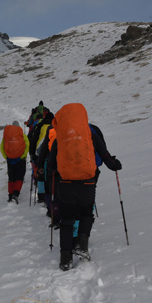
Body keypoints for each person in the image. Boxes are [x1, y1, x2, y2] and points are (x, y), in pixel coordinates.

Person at [46, 103, 123, 271]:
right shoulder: (90, 132)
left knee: (66, 221)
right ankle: (82, 245)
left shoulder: (60, 137)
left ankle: (65, 260)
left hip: (65, 184)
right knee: (86, 214)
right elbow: (105, 155)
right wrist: (115, 164)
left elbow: (50, 164)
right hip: (87, 183)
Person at [0, 121, 30, 204]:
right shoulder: (22, 135)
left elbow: (2, 147)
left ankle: (10, 195)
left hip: (10, 160)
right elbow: (27, 145)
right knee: (19, 177)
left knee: (11, 177)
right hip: (20, 159)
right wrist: (22, 156)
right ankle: (15, 194)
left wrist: (7, 157)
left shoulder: (7, 136)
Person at [28, 110, 55, 203]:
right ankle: (50, 196)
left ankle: (41, 196)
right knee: (49, 176)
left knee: (40, 174)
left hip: (39, 152)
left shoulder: (40, 126)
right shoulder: (55, 127)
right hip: (52, 154)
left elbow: (33, 140)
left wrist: (31, 154)